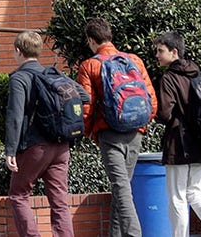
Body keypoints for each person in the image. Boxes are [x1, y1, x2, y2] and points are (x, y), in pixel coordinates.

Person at [75, 18, 158, 237]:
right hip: (134, 132)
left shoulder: (90, 65)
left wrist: (88, 131)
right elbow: (151, 98)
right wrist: (142, 123)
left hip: (109, 133)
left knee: (121, 188)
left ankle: (134, 234)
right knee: (121, 187)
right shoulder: (134, 61)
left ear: (92, 41)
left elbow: (87, 106)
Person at [152, 32, 201, 237]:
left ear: (174, 51)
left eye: (160, 50)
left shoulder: (169, 78)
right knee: (194, 192)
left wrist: (155, 115)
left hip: (178, 144)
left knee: (177, 197)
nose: (157, 55)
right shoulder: (198, 75)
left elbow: (165, 113)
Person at [4, 30, 74, 237]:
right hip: (61, 145)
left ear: (18, 51)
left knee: (18, 194)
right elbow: (84, 96)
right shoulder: (54, 75)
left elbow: (15, 115)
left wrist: (10, 150)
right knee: (59, 200)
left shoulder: (20, 78)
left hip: (35, 146)